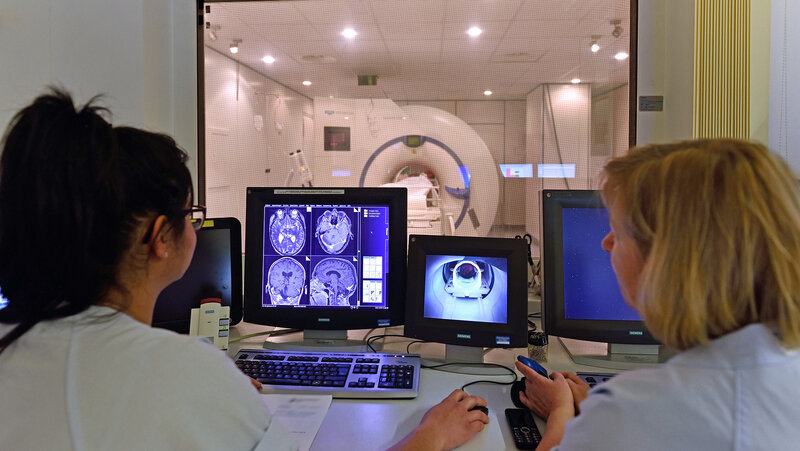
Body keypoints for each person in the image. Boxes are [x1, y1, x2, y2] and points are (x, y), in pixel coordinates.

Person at [0, 89, 488, 450]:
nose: (196, 225)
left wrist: (219, 397)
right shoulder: (188, 373)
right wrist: (429, 437)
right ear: (160, 239)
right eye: (191, 215)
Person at [515, 138, 800, 450]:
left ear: (670, 261)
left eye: (619, 232)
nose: (606, 244)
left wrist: (563, 410)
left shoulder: (634, 410)